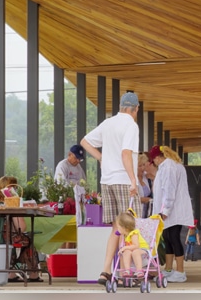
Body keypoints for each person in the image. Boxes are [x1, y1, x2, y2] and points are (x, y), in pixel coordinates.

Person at [80, 91, 142, 286]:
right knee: (131, 227)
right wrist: (134, 180)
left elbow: (84, 142)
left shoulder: (108, 123)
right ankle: (127, 272)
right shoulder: (131, 125)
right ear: (136, 109)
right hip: (124, 180)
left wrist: (101, 158)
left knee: (116, 227)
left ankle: (105, 270)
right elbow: (126, 153)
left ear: (121, 107)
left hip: (106, 181)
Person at [149, 144, 193, 283]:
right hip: (169, 210)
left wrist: (165, 210)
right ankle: (168, 269)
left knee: (174, 238)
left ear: (157, 158)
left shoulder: (168, 166)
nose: (153, 164)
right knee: (168, 238)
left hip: (171, 210)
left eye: (153, 161)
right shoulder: (170, 165)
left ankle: (180, 271)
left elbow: (169, 189)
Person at [0, 176, 42, 282]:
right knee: (27, 239)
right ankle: (32, 273)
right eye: (15, 188)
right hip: (6, 240)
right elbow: (21, 227)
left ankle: (11, 271)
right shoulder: (12, 207)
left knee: (13, 239)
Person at [116, 210, 149, 280]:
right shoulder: (125, 235)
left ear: (125, 228)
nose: (117, 229)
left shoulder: (133, 234)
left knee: (134, 252)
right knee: (126, 252)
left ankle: (139, 270)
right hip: (133, 249)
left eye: (118, 227)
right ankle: (127, 270)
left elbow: (136, 245)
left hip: (142, 249)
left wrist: (125, 248)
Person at [137, 153, 153, 218]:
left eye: (143, 165)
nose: (142, 168)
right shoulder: (132, 179)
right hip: (137, 211)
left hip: (148, 211)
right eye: (140, 166)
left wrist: (153, 178)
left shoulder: (146, 177)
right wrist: (150, 200)